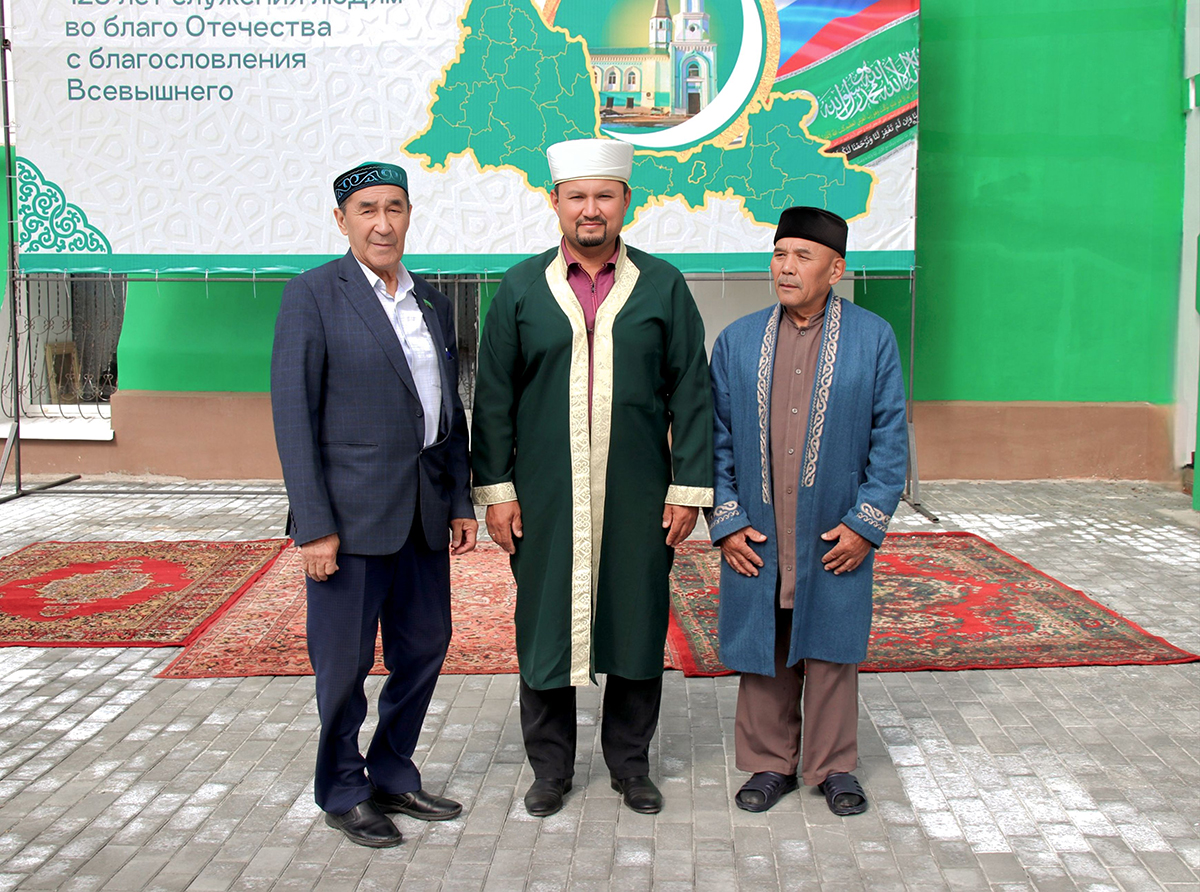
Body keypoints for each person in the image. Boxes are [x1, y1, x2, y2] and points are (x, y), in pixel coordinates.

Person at [471, 138, 713, 818]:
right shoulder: (521, 287)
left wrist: (688, 489)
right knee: (543, 623)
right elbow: (493, 397)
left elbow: (692, 392)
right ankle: (550, 771)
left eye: (604, 195)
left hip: (639, 493)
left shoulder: (663, 285)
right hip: (545, 495)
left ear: (626, 201)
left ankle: (630, 766)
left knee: (637, 621)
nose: (591, 209)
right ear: (555, 202)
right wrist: (497, 491)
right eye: (576, 196)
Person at [270, 162, 477, 847]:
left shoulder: (432, 302)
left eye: (395, 208)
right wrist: (314, 526)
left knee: (426, 646)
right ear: (342, 220)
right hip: (348, 522)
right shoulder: (312, 295)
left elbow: (447, 410)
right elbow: (293, 416)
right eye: (367, 210)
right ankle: (342, 790)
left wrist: (459, 500)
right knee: (344, 666)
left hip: (423, 515)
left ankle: (391, 771)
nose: (383, 223)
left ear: (409, 214)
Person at [709, 206, 907, 816]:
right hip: (760, 527)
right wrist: (728, 520)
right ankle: (770, 763)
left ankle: (833, 766)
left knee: (831, 645)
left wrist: (866, 524)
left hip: (833, 526)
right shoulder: (737, 341)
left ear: (835, 269)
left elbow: (890, 437)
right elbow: (715, 439)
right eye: (779, 254)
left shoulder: (873, 338)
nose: (786, 268)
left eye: (802, 256)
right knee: (764, 640)